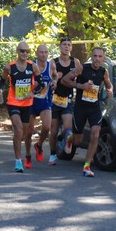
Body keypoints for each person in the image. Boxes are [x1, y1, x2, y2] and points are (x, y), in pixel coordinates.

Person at [62, 47, 113, 177]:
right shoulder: (82, 68)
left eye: (100, 56)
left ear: (103, 58)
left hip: (94, 107)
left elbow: (109, 85)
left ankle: (87, 166)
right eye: (95, 56)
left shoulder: (104, 71)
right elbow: (64, 80)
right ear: (92, 57)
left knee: (95, 134)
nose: (97, 59)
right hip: (80, 107)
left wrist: (110, 90)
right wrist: (81, 86)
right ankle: (69, 138)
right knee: (77, 141)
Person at [1, 41, 43, 172]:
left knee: (24, 134)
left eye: (27, 51)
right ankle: (18, 161)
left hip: (27, 104)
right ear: (17, 51)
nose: (24, 53)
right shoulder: (9, 67)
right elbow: (2, 81)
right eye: (22, 51)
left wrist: (32, 92)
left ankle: (25, 154)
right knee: (18, 129)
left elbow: (41, 84)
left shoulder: (33, 66)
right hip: (13, 102)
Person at [48, 37, 80, 165]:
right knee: (54, 130)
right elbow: (50, 79)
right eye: (64, 45)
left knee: (68, 127)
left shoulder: (75, 62)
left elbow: (79, 77)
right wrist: (54, 80)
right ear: (60, 47)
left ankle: (66, 139)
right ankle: (52, 154)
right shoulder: (54, 62)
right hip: (54, 99)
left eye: (68, 45)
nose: (66, 47)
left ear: (71, 47)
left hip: (67, 99)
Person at [24, 44, 57, 168]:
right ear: (37, 54)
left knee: (47, 127)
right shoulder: (31, 65)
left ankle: (39, 144)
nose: (43, 54)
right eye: (41, 52)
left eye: (46, 52)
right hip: (31, 101)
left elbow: (55, 75)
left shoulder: (51, 65)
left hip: (45, 101)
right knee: (29, 130)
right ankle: (27, 155)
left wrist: (54, 82)